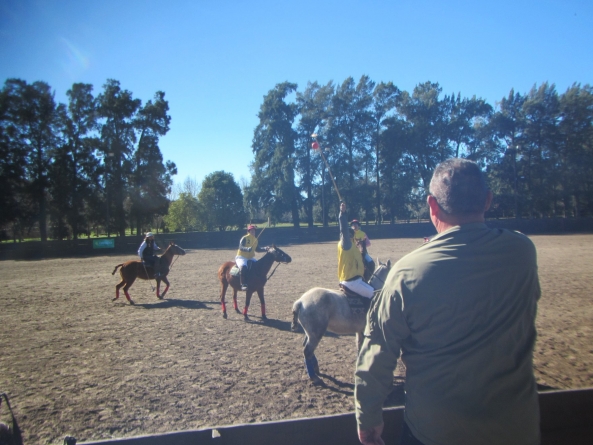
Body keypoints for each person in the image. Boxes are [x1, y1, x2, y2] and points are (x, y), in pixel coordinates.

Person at [354, 158, 541, 445]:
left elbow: (377, 356)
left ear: (432, 205)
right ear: (488, 200)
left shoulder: (406, 273)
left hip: (436, 432)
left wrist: (367, 421)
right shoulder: (523, 252)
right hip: (516, 430)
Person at [338, 202, 374, 299]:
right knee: (375, 295)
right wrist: (342, 213)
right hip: (352, 281)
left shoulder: (351, 245)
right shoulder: (346, 245)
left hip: (354, 279)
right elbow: (343, 229)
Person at [236, 224, 266, 290]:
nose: (253, 232)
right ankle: (243, 284)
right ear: (248, 231)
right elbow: (240, 247)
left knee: (259, 266)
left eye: (254, 231)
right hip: (242, 257)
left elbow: (258, 249)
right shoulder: (245, 238)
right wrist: (247, 249)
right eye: (252, 231)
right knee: (243, 267)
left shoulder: (255, 240)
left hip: (250, 257)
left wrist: (265, 248)